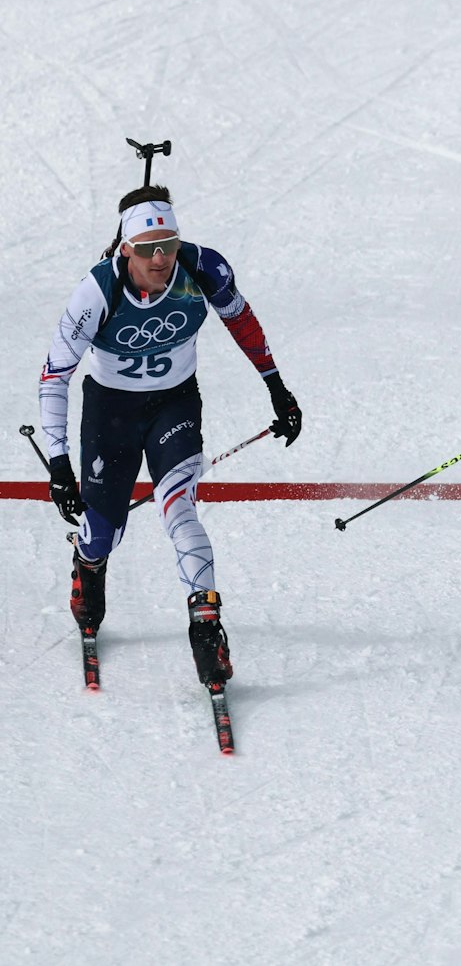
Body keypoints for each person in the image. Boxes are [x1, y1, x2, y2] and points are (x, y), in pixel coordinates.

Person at [39, 185, 302, 685]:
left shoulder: (201, 269)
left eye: (169, 245)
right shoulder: (96, 292)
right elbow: (55, 375)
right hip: (111, 412)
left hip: (174, 404)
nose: (160, 260)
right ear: (125, 249)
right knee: (101, 532)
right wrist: (58, 462)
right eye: (147, 249)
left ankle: (206, 627)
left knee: (179, 506)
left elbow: (241, 321)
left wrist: (277, 387)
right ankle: (89, 566)